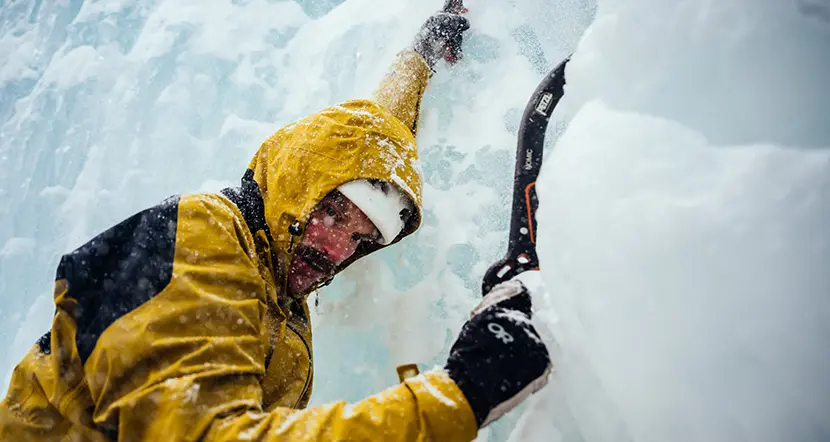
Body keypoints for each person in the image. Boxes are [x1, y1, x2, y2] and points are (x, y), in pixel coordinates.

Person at [0, 10, 551, 441]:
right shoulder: (207, 235)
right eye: (332, 213)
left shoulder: (279, 279)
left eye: (360, 239)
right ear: (299, 183)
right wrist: (458, 396)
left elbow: (365, 143)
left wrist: (423, 55)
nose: (337, 249)